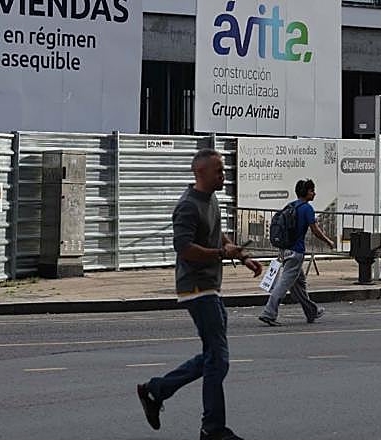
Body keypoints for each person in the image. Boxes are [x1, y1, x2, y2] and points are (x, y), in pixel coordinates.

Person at [137, 149, 262, 439]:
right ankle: (212, 428)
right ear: (200, 172)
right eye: (218, 171)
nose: (223, 176)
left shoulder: (211, 199)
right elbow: (184, 248)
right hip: (196, 288)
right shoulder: (188, 206)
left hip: (209, 287)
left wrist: (241, 255)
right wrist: (220, 253)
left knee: (212, 356)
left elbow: (216, 233)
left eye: (223, 170)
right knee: (218, 359)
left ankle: (156, 390)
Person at [258, 179, 336, 326]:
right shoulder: (307, 208)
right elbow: (315, 230)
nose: (314, 193)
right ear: (306, 192)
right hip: (296, 252)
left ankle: (311, 311)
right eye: (312, 191)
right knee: (283, 284)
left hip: (285, 250)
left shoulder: (291, 206)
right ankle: (269, 313)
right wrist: (328, 241)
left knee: (299, 284)